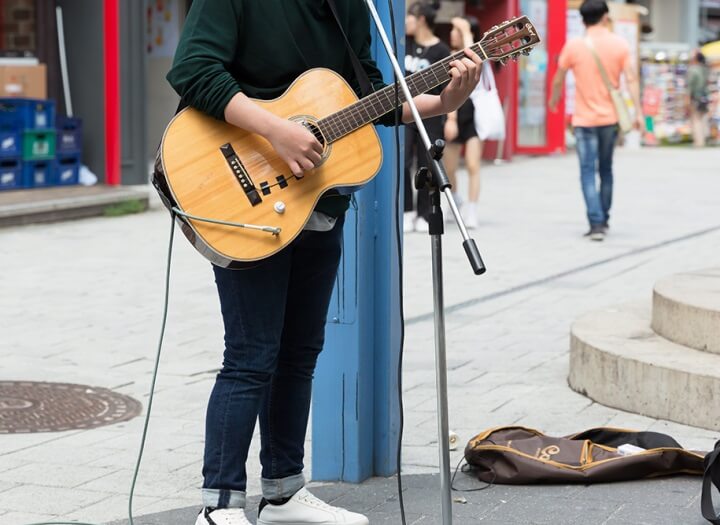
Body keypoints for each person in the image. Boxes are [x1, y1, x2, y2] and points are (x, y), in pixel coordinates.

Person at [166, 2, 483, 524]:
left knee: (299, 353)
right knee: (250, 356)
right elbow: (194, 69)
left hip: (317, 201)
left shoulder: (351, 8)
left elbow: (372, 102)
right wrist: (276, 129)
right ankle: (218, 504)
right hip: (239, 195)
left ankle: (282, 494)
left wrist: (446, 99)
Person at [549, 0, 643, 242]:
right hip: (610, 119)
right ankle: (604, 218)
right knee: (606, 169)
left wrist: (553, 101)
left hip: (584, 120)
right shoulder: (619, 44)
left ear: (582, 20)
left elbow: (559, 78)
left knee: (587, 171)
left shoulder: (574, 46)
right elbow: (631, 80)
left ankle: (596, 223)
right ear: (605, 17)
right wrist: (638, 113)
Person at [403, 0, 451, 233]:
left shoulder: (441, 51)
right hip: (406, 113)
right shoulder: (405, 45)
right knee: (402, 161)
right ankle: (406, 210)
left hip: (431, 116)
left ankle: (423, 213)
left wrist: (450, 119)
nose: (405, 23)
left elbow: (449, 90)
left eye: (409, 18)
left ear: (421, 20)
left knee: (427, 164)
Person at [443, 16, 488, 229]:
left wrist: (466, 29)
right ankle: (456, 200)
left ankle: (472, 209)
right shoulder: (449, 57)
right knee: (450, 168)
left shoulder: (478, 56)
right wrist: (451, 119)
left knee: (472, 165)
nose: (452, 34)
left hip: (473, 116)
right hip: (455, 114)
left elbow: (473, 54)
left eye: (457, 31)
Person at [688, 50, 710, 147]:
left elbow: (689, 86)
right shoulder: (705, 69)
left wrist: (687, 98)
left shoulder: (693, 69)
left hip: (696, 97)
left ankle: (698, 141)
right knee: (702, 118)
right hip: (705, 96)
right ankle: (703, 139)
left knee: (696, 119)